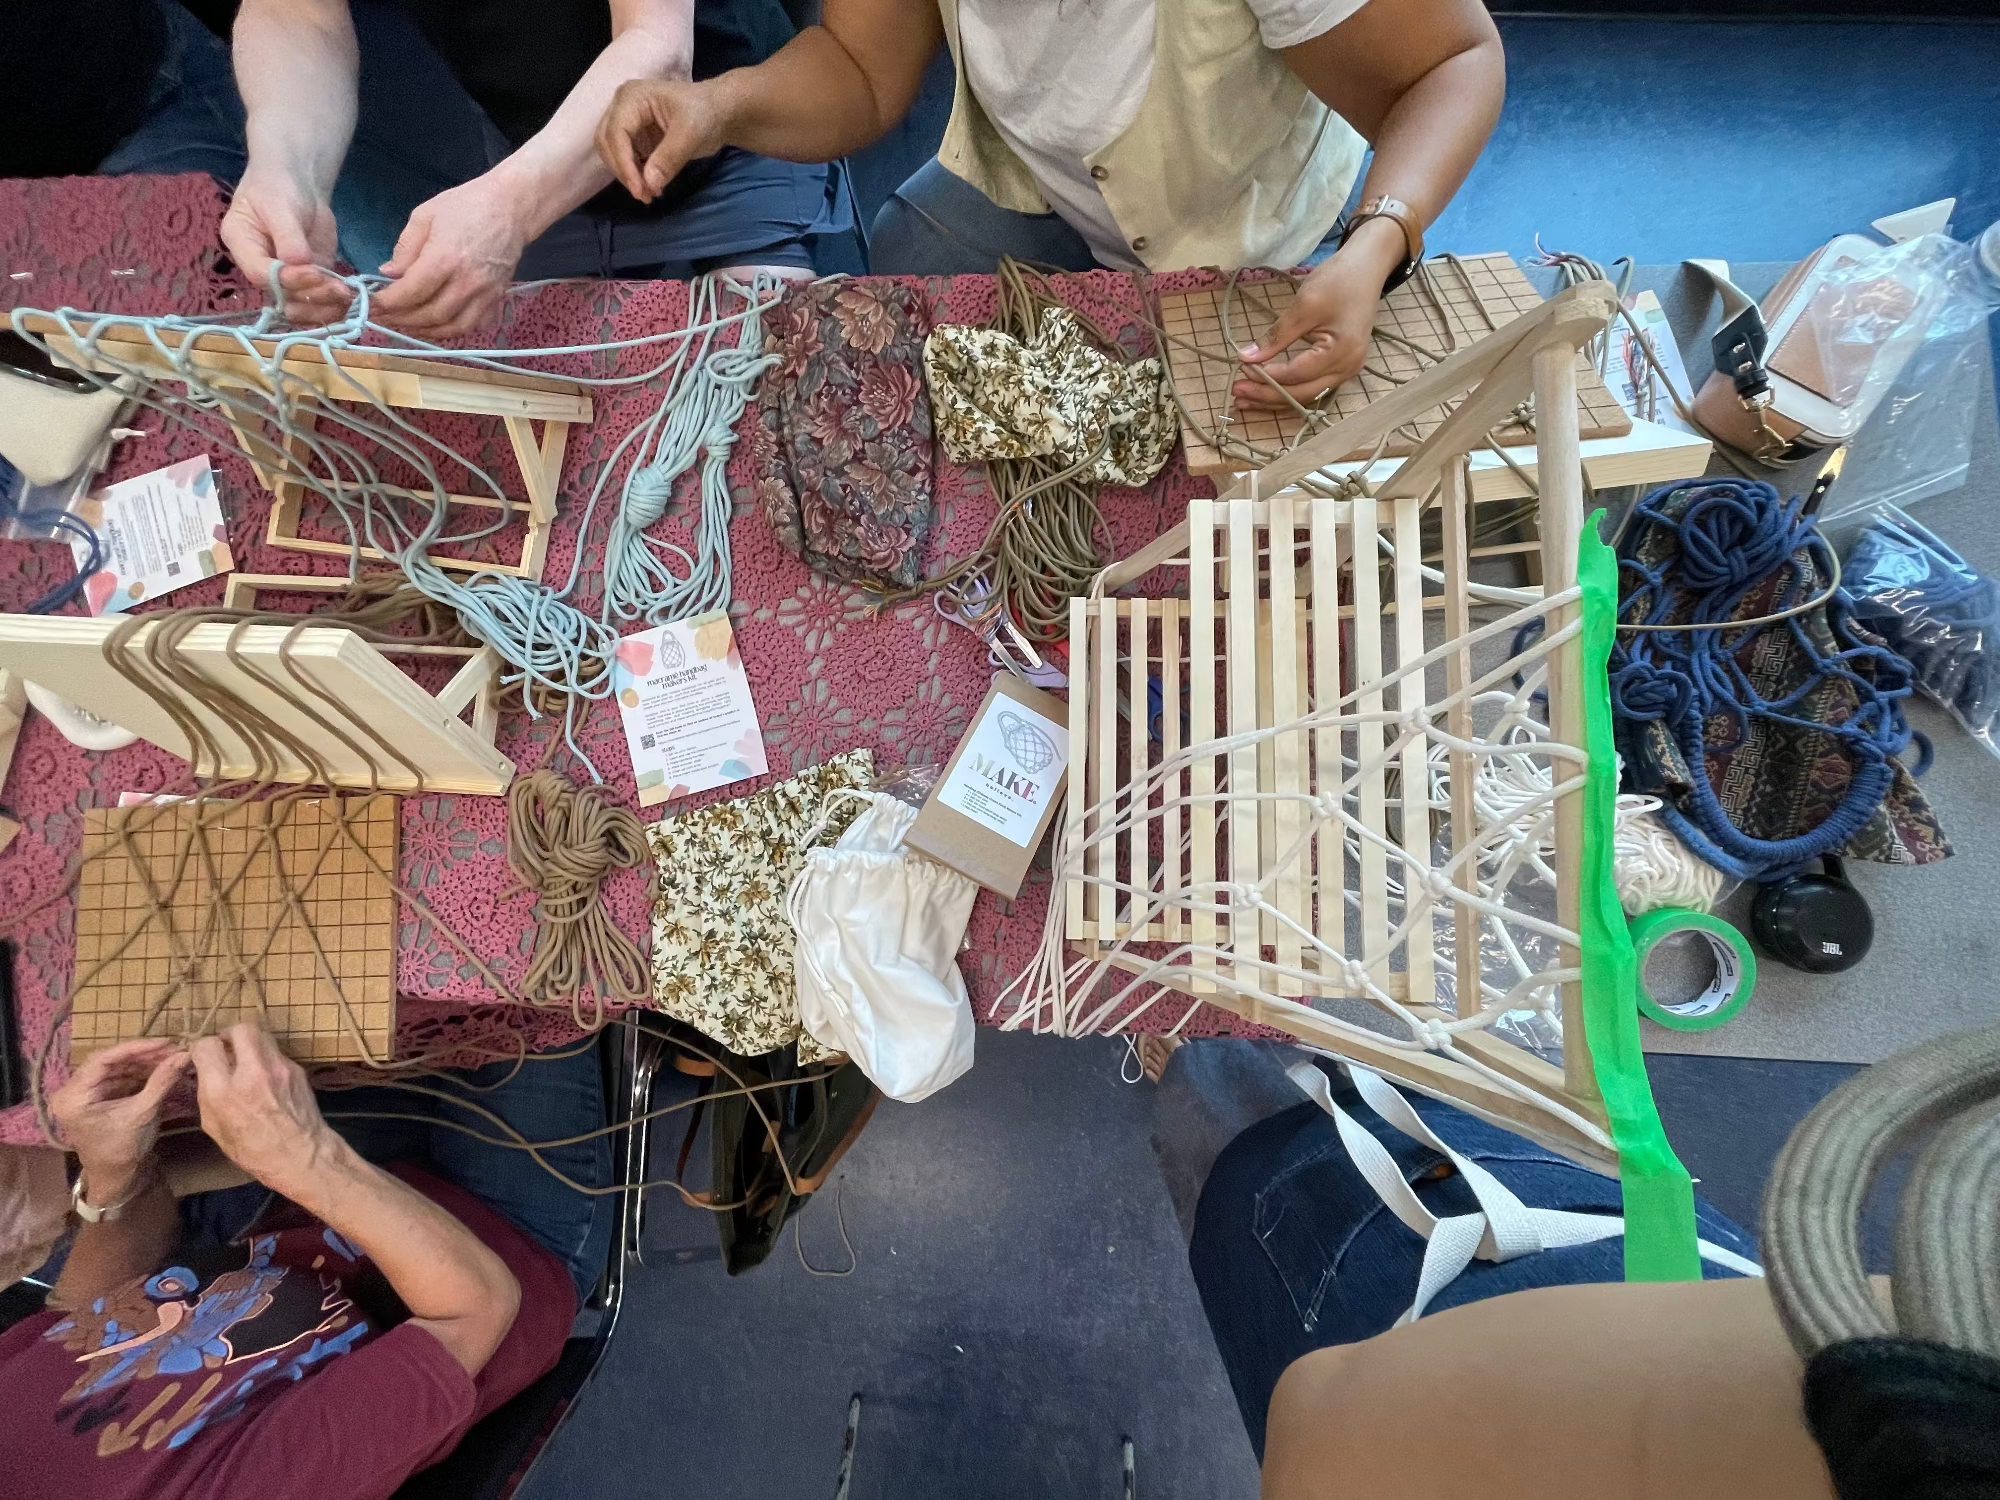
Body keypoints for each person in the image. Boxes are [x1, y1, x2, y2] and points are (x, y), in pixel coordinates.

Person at [593, 0, 1503, 409]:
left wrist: (1376, 244)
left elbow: (1452, 65)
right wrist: (720, 108)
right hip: (1053, 183)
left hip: (1257, 225)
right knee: (902, 285)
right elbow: (864, 72)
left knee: (1252, 464)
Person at [1148, 1038, 1839, 1498]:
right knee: (1386, 1104)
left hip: (1422, 1302)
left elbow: (1321, 1408)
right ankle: (1223, 1057)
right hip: (1566, 1247)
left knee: (1258, 1134)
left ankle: (1205, 1059)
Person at [2, 1025, 613, 1499]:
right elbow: (476, 1309)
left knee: (368, 972)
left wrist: (114, 1171)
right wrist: (307, 1158)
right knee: (537, 969)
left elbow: (84, 1317)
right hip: (498, 1244)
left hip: (318, 1205)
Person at [69, 0, 850, 337]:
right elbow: (296, 14)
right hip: (537, 153)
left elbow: (656, 48)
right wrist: (284, 167)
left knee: (775, 422)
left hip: (731, 141)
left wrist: (509, 208)